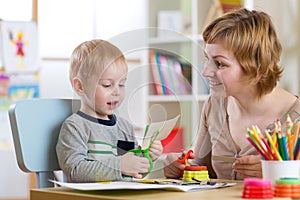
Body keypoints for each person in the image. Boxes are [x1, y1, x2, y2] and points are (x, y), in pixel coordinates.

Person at [164, 8, 300, 180]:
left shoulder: (296, 117)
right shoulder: (214, 105)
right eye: (207, 59)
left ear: (257, 68)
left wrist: (277, 173)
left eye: (220, 64)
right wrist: (178, 168)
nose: (206, 72)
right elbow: (201, 168)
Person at [56, 39, 163, 183]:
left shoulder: (125, 128)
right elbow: (75, 170)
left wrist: (148, 157)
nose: (117, 92)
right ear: (80, 87)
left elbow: (132, 173)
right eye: (107, 85)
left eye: (122, 84)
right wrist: (119, 166)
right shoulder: (75, 126)